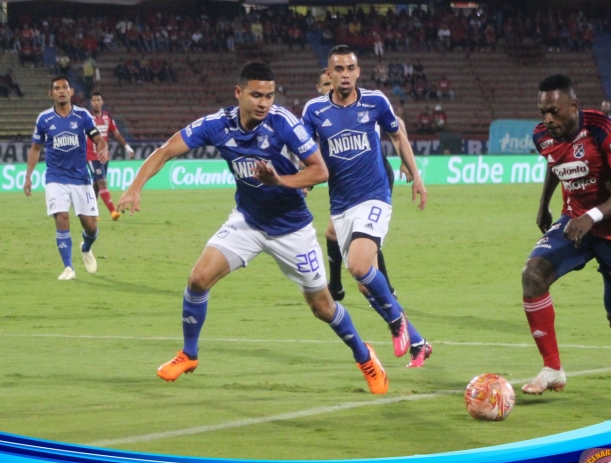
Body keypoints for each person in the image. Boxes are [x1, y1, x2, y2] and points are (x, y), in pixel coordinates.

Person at [116, 62, 388, 395]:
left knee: (323, 308)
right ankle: (189, 354)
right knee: (198, 278)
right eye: (256, 95)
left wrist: (280, 180)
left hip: (292, 229)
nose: (263, 103)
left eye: (269, 96)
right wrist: (135, 187)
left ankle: (365, 357)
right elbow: (166, 151)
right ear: (239, 93)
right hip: (248, 222)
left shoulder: (283, 123)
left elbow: (320, 171)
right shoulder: (217, 124)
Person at [303, 46, 432, 368]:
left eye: (350, 68)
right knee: (364, 285)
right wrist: (302, 180)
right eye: (339, 69)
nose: (345, 74)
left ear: (358, 71)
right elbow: (303, 149)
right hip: (341, 206)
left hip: (374, 196)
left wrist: (415, 175)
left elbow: (397, 134)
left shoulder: (375, 101)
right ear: (329, 74)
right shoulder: (314, 110)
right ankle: (418, 342)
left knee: (359, 266)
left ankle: (396, 322)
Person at [521, 74, 611, 395]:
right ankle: (552, 369)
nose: (548, 119)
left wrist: (592, 216)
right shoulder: (542, 136)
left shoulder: (602, 129)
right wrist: (544, 204)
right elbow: (555, 162)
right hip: (575, 222)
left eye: (554, 111)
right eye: (543, 112)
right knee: (533, 275)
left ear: (573, 106)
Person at [314, 69, 406, 303]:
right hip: (346, 184)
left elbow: (398, 125)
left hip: (374, 178)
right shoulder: (319, 113)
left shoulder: (360, 104)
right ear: (319, 88)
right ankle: (337, 286)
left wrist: (406, 162)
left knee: (364, 236)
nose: (330, 88)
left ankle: (385, 293)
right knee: (333, 233)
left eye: (331, 83)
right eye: (326, 85)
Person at [23, 76, 108, 280]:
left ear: (71, 92)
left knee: (91, 226)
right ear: (51, 94)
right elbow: (35, 148)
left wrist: (103, 148)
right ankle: (69, 267)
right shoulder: (44, 119)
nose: (61, 91)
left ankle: (86, 247)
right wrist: (28, 176)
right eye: (57, 88)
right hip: (56, 177)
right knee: (61, 217)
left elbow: (98, 139)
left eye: (65, 87)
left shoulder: (82, 115)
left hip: (81, 178)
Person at [87, 91, 135, 220]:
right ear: (91, 102)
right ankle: (113, 212)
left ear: (102, 102)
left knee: (96, 184)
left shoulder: (108, 117)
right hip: (91, 156)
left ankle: (92, 212)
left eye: (98, 100)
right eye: (94, 100)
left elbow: (116, 134)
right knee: (102, 182)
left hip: (104, 156)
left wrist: (127, 147)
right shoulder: (87, 118)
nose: (96, 103)